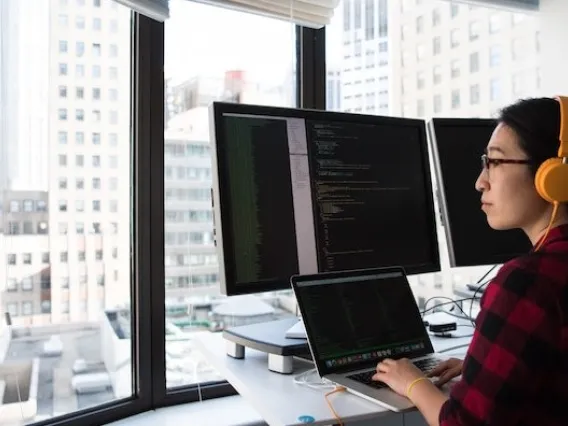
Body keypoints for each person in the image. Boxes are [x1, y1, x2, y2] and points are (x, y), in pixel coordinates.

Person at [372, 97, 568, 425]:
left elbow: (461, 422)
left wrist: (413, 381)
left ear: (553, 174)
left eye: (495, 162)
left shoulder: (528, 283)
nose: (480, 181)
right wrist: (486, 367)